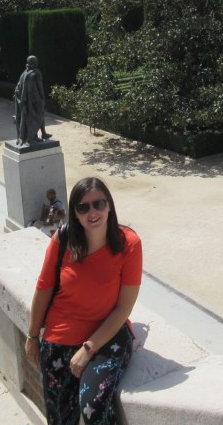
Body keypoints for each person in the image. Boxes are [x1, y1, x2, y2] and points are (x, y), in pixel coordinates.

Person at [24, 177, 142, 425]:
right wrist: (33, 336)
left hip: (106, 338)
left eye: (98, 204)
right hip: (58, 338)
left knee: (93, 407)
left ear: (109, 205)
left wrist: (88, 348)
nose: (93, 212)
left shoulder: (128, 244)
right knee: (59, 419)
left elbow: (124, 308)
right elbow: (43, 289)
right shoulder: (62, 240)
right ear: (75, 213)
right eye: (83, 207)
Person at [13, 55, 52, 144]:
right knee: (36, 117)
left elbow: (18, 87)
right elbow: (40, 87)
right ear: (35, 63)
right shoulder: (36, 73)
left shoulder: (24, 73)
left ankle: (38, 135)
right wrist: (43, 99)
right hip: (34, 100)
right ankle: (31, 138)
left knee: (32, 117)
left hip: (25, 100)